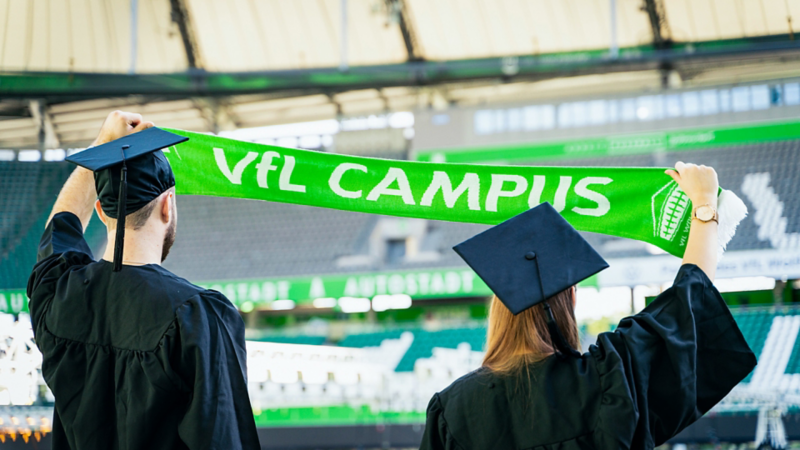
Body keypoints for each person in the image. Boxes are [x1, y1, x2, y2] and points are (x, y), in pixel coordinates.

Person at [419, 162, 757, 450]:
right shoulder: (606, 379)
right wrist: (704, 206)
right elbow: (686, 307)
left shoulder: (450, 411)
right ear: (572, 299)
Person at [26, 111, 260, 450]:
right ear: (168, 206)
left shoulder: (59, 296)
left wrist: (103, 143)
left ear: (102, 212)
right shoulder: (197, 316)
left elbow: (61, 227)